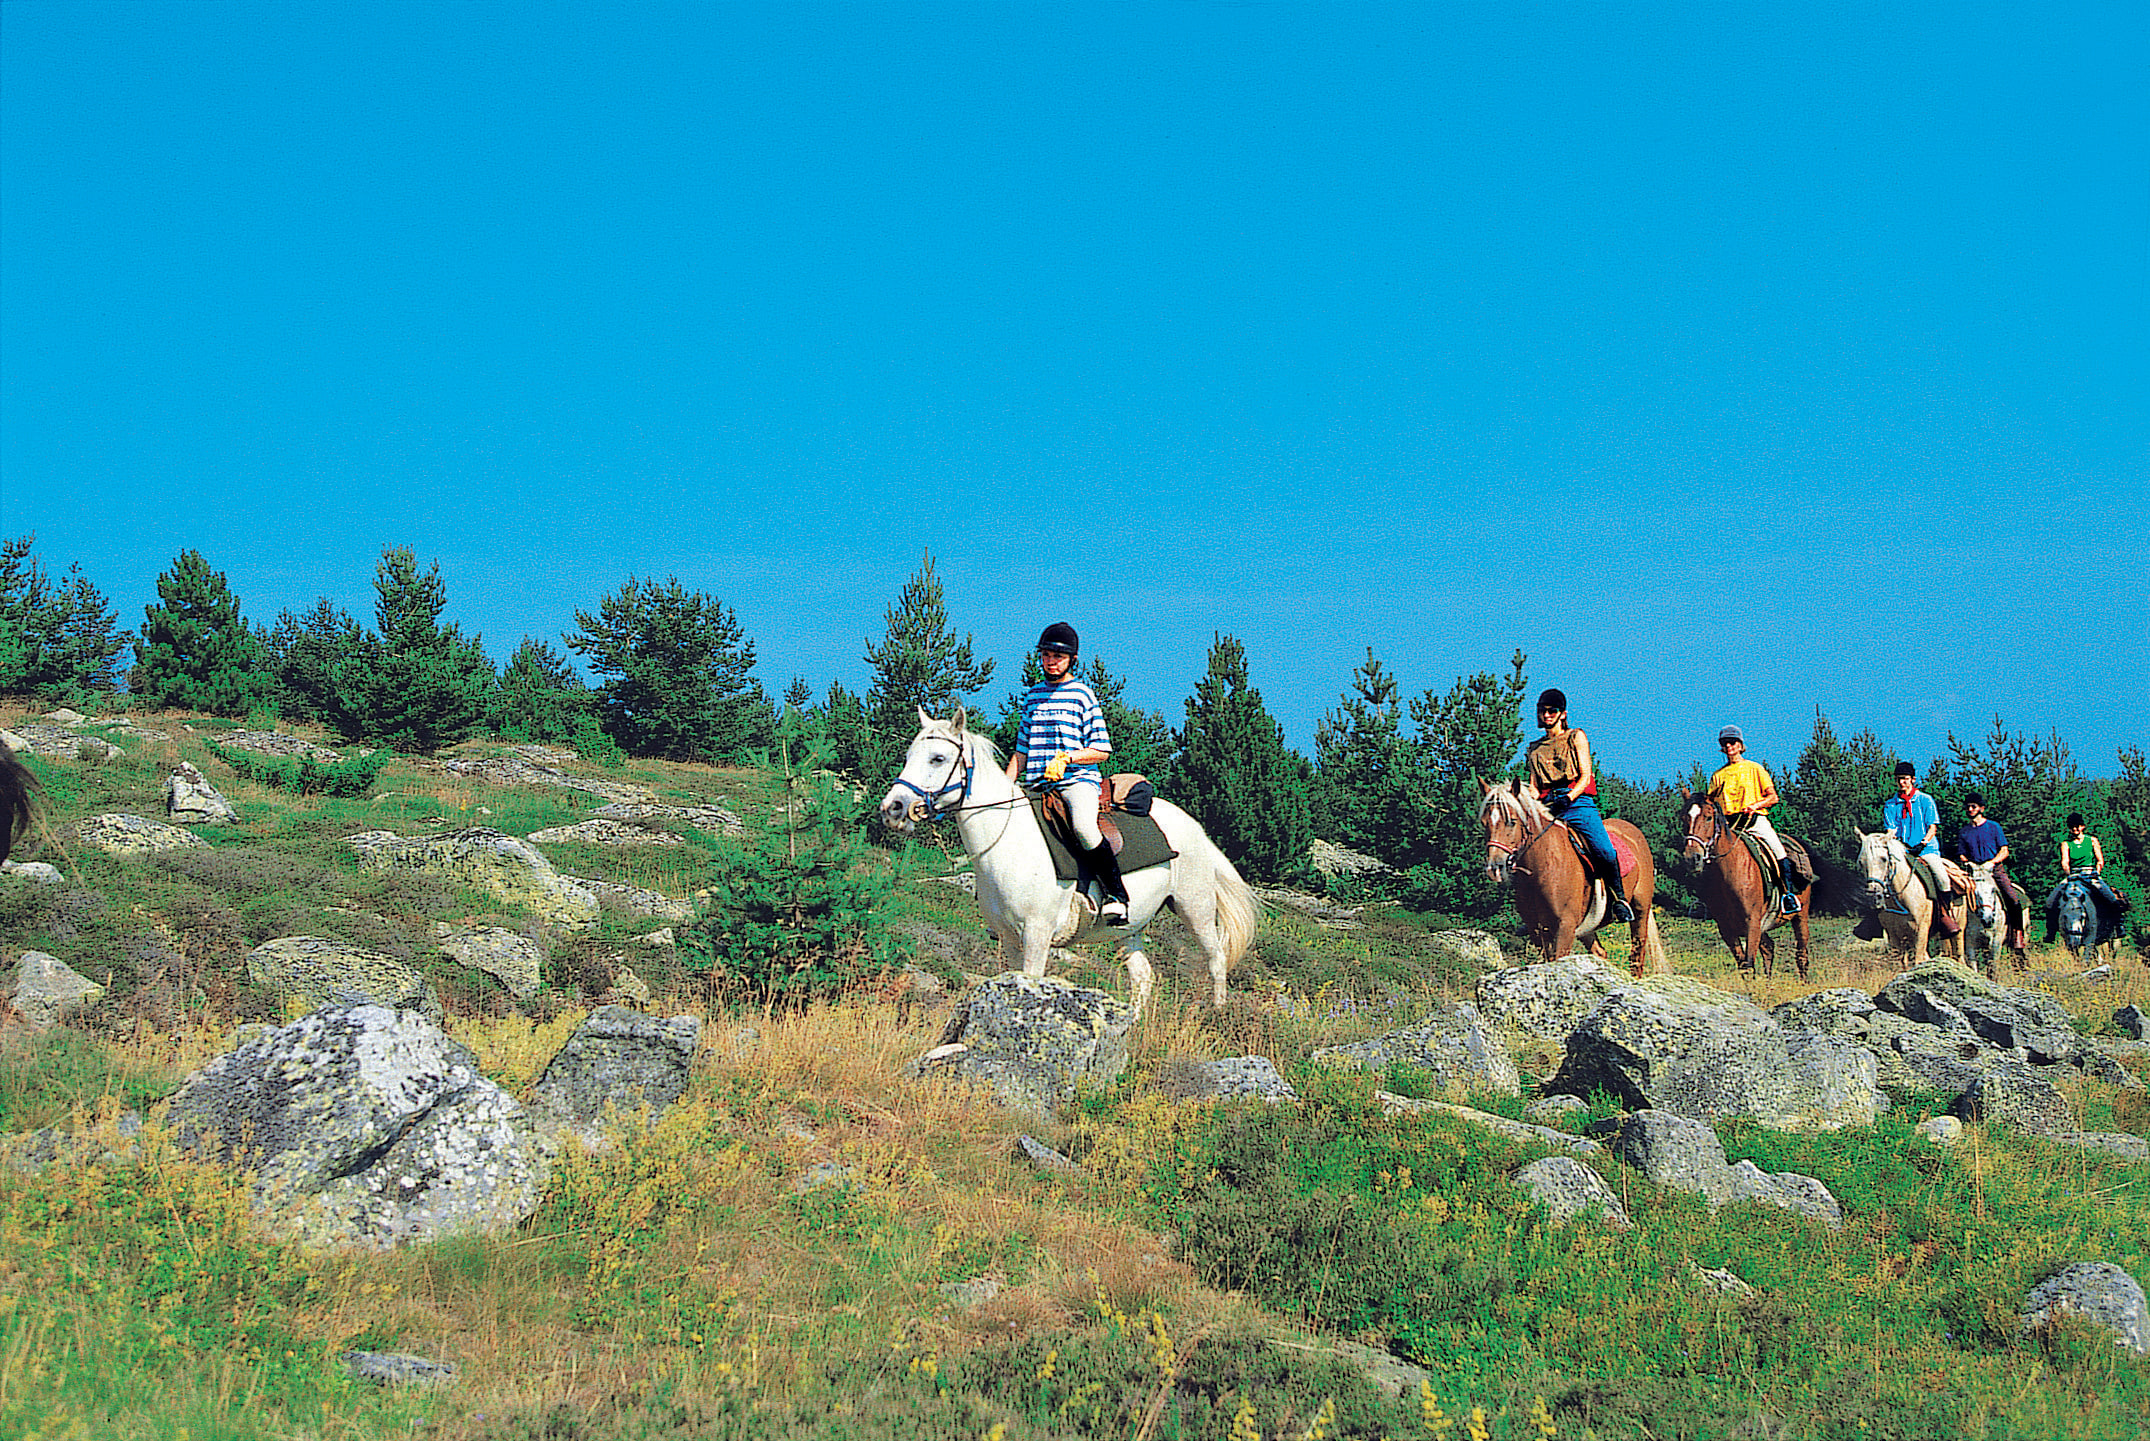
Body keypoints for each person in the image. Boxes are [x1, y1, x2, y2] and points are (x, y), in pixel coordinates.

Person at [1005, 622, 1128, 924]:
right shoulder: (1033, 696)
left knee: (1084, 827)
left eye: (1058, 657)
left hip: (1076, 781)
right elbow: (1021, 751)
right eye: (1046, 655)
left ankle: (1116, 896)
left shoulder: (1082, 695)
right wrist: (1005, 787)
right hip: (1037, 784)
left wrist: (1068, 757)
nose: (1051, 661)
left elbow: (1102, 749)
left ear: (1072, 659)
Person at [1524, 688, 1634, 923]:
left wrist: (1568, 798)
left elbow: (1585, 776)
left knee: (1603, 849)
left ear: (1562, 714)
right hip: (1547, 806)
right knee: (1526, 849)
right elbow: (1534, 786)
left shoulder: (1576, 737)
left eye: (1552, 710)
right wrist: (1527, 800)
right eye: (1543, 711)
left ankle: (1619, 899)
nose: (1547, 715)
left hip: (1577, 802)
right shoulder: (1534, 749)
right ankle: (1532, 911)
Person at [1707, 725, 1801, 916]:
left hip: (1754, 821)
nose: (1729, 746)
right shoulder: (1717, 776)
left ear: (1740, 745)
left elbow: (1773, 797)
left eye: (1732, 742)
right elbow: (1710, 803)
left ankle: (1788, 895)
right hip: (1729, 825)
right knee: (1707, 858)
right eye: (1725, 743)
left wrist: (1755, 805)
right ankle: (1707, 902)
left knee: (1778, 850)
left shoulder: (1754, 768)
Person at [1880, 760, 1957, 933]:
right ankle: (1877, 918)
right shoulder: (1890, 805)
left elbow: (1932, 827)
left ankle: (1945, 914)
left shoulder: (1925, 800)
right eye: (1899, 779)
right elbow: (1891, 830)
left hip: (1926, 850)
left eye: (1905, 778)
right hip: (1902, 851)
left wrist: (1922, 844)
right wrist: (1894, 843)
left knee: (1942, 878)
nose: (1902, 782)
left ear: (1913, 779)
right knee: (1879, 877)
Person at [2046, 813, 2130, 942]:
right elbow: (2065, 862)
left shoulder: (2092, 840)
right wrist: (2069, 874)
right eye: (2072, 827)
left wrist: (2096, 872)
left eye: (2077, 826)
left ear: (2083, 826)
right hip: (2074, 875)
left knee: (2112, 898)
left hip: (2090, 873)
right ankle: (2051, 932)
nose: (2075, 829)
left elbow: (2100, 860)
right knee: (2050, 901)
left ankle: (2119, 925)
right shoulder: (2066, 844)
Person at [1956, 792, 2028, 931]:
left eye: (1973, 806)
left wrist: (1993, 862)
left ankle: (2017, 933)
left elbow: (2004, 850)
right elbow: (1961, 854)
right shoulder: (1964, 831)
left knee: (2011, 897)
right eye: (1968, 807)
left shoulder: (1993, 827)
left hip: (1994, 869)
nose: (1970, 809)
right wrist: (1968, 863)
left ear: (1981, 809)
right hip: (1974, 871)